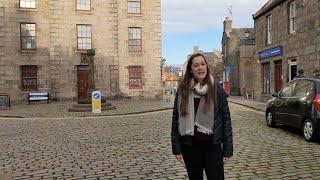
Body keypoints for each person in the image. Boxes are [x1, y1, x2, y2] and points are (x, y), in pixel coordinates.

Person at [171, 53, 233, 180]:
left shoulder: (217, 89)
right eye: (196, 65)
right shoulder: (183, 90)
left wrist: (227, 149)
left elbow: (226, 119)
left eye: (203, 64)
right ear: (191, 69)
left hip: (213, 146)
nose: (200, 68)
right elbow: (176, 119)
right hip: (190, 147)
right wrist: (177, 148)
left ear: (206, 67)